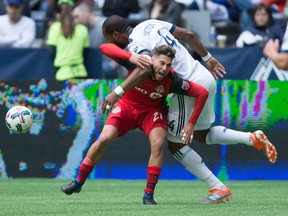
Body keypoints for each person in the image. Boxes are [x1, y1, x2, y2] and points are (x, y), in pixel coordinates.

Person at [101, 15, 278, 204]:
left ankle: (218, 188)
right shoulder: (149, 23)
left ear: (117, 35)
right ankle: (250, 138)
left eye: (109, 38)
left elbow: (145, 69)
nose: (109, 42)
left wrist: (118, 92)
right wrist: (207, 57)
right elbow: (188, 34)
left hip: (189, 86)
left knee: (176, 144)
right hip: (204, 75)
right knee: (203, 135)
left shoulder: (137, 43)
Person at [61, 44, 209, 205]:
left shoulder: (172, 81)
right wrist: (130, 56)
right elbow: (104, 47)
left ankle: (148, 195)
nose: (164, 68)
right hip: (126, 107)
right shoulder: (138, 64)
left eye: (168, 65)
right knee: (104, 138)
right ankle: (78, 182)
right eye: (161, 63)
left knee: (158, 144)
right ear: (152, 60)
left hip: (151, 111)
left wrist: (191, 123)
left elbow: (202, 93)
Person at [72, 2, 126, 79]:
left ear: (86, 12)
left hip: (108, 65)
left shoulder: (106, 25)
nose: (75, 21)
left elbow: (122, 46)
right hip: (92, 65)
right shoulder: (80, 30)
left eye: (77, 17)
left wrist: (113, 65)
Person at [46, 0, 89, 81]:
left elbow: (52, 52)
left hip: (61, 75)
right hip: (81, 73)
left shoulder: (54, 27)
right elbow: (85, 53)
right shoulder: (83, 29)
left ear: (58, 14)